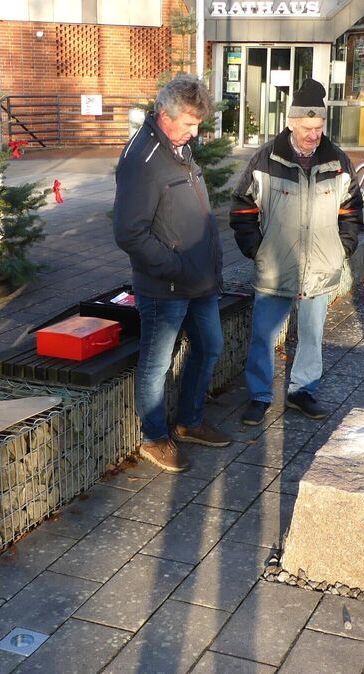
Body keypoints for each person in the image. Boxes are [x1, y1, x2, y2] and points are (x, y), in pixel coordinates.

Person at [113, 74, 232, 473]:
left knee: (210, 346)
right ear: (164, 115)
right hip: (166, 285)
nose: (195, 133)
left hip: (198, 281)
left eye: (198, 124)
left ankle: (189, 420)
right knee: (155, 364)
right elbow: (129, 232)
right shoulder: (142, 158)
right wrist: (174, 266)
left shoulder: (176, 148)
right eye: (189, 124)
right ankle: (153, 437)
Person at [229, 78, 363, 426]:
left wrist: (342, 248)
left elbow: (351, 211)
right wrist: (256, 250)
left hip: (321, 267)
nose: (313, 135)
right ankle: (259, 396)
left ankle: (302, 391)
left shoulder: (338, 162)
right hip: (275, 267)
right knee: (263, 335)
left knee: (312, 335)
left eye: (318, 127)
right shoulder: (266, 160)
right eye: (306, 127)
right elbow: (243, 207)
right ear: (291, 123)